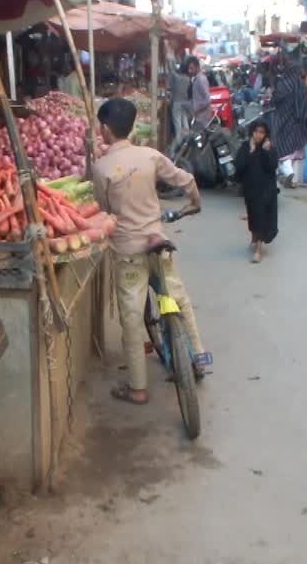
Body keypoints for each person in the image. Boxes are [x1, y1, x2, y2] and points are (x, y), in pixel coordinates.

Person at [92, 98, 208, 405]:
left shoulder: (101, 167)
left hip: (127, 251)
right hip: (157, 241)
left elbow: (104, 212)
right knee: (179, 298)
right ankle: (198, 357)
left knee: (131, 317)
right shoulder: (150, 155)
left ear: (105, 129)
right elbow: (186, 180)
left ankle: (138, 387)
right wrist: (195, 203)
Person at [269, 53, 307, 187]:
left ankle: (289, 173)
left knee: (284, 149)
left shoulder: (283, 83)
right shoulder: (300, 84)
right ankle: (294, 178)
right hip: (298, 120)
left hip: (283, 119)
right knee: (295, 150)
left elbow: (275, 100)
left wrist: (272, 95)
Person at [235, 120, 278, 263]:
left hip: (266, 190)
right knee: (253, 215)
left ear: (266, 134)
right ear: (251, 132)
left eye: (262, 132)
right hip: (251, 190)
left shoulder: (269, 147)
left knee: (261, 218)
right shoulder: (245, 146)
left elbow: (272, 166)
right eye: (256, 131)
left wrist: (266, 152)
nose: (258, 135)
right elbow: (239, 166)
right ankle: (254, 239)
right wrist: (251, 152)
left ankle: (259, 250)